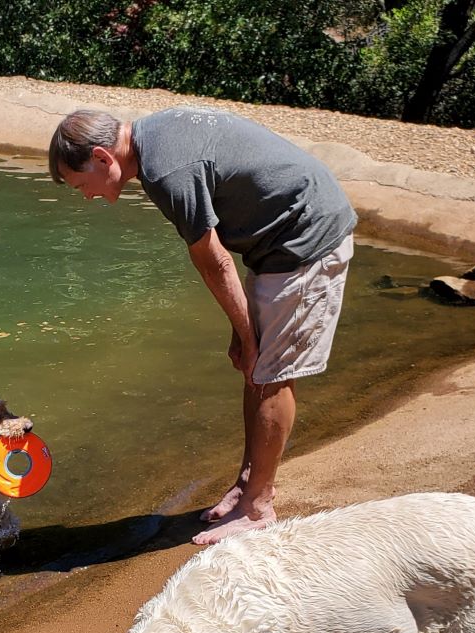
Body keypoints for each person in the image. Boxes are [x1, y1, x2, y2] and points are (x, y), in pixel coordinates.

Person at [49, 107, 357, 545]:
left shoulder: (166, 171)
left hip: (307, 237)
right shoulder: (152, 141)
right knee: (254, 368)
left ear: (102, 158)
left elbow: (213, 260)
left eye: (83, 186)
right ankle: (249, 481)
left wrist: (249, 336)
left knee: (271, 374)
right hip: (277, 243)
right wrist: (242, 331)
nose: (88, 196)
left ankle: (258, 506)